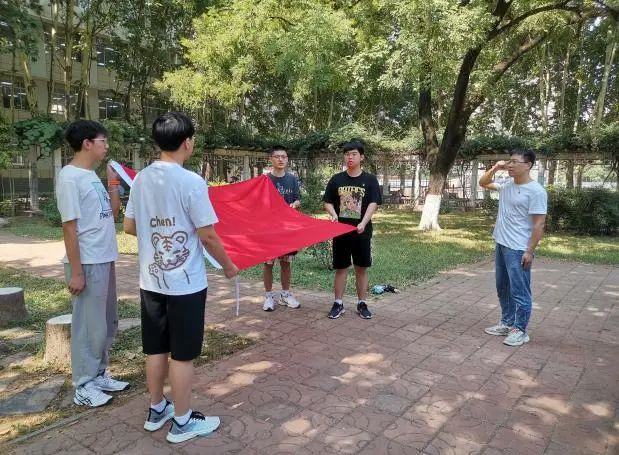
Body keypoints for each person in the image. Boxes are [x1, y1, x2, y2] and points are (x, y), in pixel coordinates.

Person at [124, 112, 238, 443]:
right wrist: (229, 266)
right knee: (183, 354)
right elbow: (208, 235)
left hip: (150, 282)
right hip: (185, 284)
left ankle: (157, 408)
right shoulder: (191, 182)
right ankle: (183, 422)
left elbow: (129, 226)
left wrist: (156, 234)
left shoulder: (141, 179)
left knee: (156, 348)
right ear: (187, 142)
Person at [56, 120, 129, 408]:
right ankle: (83, 385)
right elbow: (69, 228)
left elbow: (112, 213)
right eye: (102, 141)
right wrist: (76, 272)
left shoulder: (90, 176)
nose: (106, 146)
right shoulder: (70, 178)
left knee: (105, 322)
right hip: (86, 262)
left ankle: (98, 374)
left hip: (103, 257)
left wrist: (113, 181)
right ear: (87, 143)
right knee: (88, 325)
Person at [479, 149, 547, 346]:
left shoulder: (536, 191)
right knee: (502, 287)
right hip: (501, 243)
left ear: (528, 165)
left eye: (514, 162)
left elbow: (539, 224)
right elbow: (483, 183)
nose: (509, 165)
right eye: (509, 161)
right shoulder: (507, 185)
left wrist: (529, 251)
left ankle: (520, 330)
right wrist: (495, 167)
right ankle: (507, 323)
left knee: (520, 290)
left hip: (518, 248)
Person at [323, 141, 382, 320]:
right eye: (347, 154)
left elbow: (373, 203)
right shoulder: (336, 179)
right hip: (341, 232)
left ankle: (362, 303)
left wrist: (363, 223)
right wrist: (334, 215)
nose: (350, 157)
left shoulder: (370, 180)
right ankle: (338, 303)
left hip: (361, 232)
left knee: (361, 268)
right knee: (341, 268)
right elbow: (327, 202)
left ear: (361, 157)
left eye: (354, 154)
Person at [262, 145, 302, 312]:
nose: (280, 159)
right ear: (271, 159)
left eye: (283, 157)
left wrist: (294, 204)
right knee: (268, 263)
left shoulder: (292, 179)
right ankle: (268, 296)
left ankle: (285, 294)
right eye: (277, 156)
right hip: (269, 229)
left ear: (287, 159)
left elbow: (298, 199)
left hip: (287, 229)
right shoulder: (264, 180)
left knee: (286, 263)